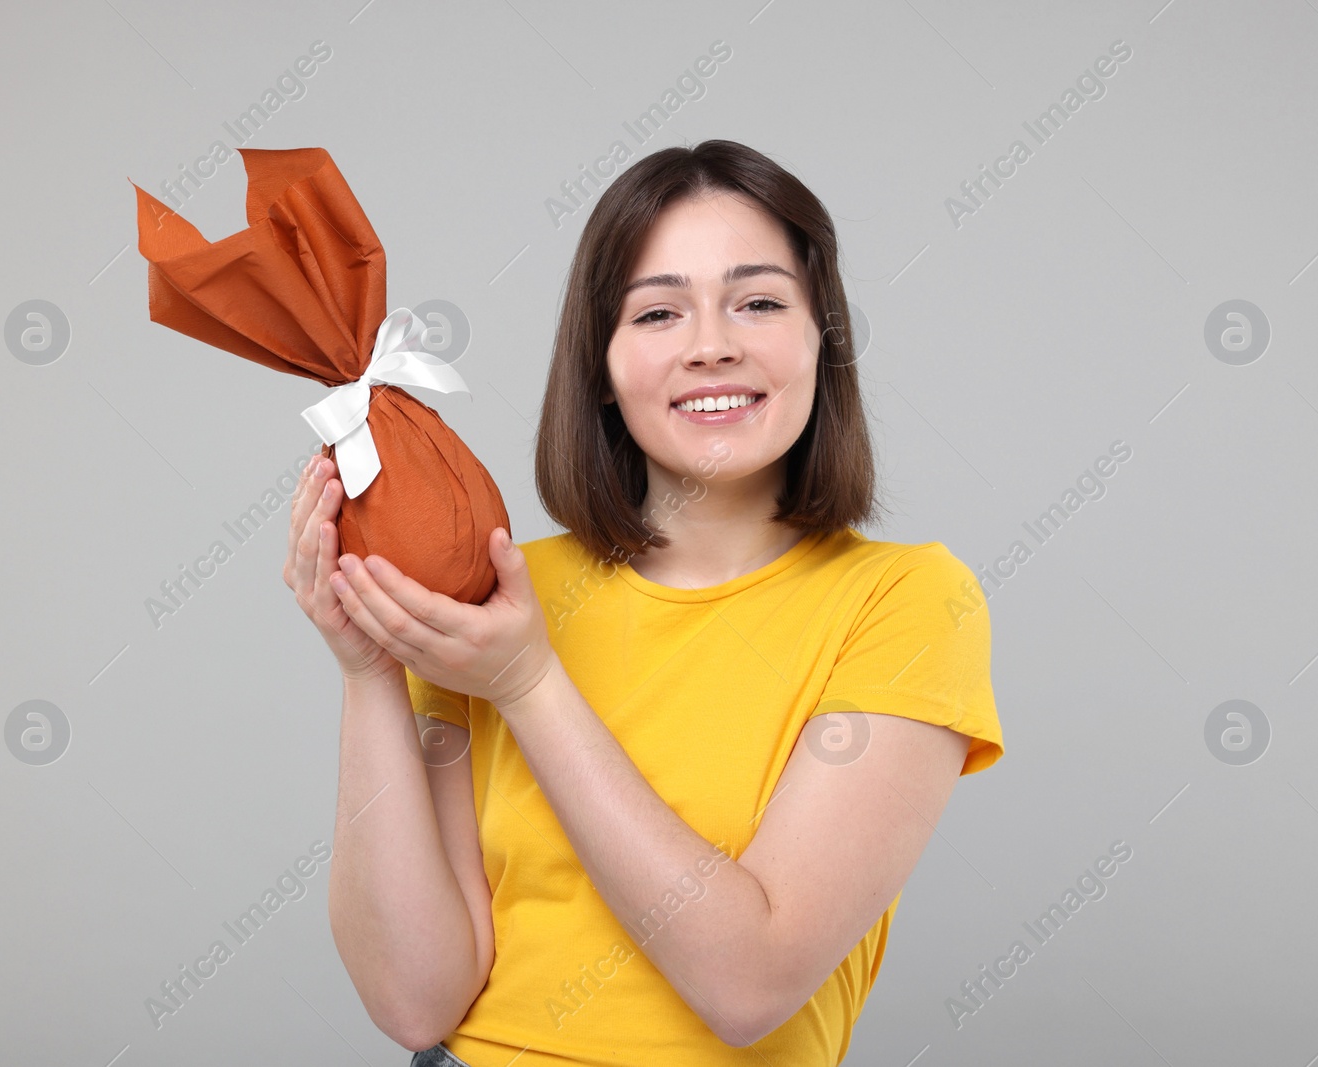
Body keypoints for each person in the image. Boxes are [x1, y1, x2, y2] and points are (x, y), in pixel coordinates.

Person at [283, 139, 1004, 1067]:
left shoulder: (907, 601)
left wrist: (528, 680)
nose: (712, 344)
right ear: (604, 365)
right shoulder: (502, 592)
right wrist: (372, 664)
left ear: (822, 340)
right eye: (658, 312)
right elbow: (415, 999)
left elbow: (749, 984)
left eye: (758, 302)